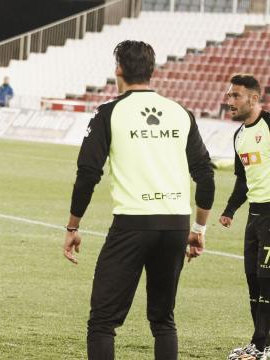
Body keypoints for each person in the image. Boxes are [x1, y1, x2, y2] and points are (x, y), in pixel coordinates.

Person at [62, 40, 214, 360]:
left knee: (103, 322)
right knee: (163, 320)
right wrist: (198, 229)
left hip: (133, 224)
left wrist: (73, 225)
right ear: (152, 70)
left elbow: (88, 173)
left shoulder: (109, 113)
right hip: (175, 225)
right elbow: (206, 175)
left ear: (118, 69)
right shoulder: (180, 113)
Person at [220, 74, 270, 360]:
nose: (230, 101)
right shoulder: (239, 136)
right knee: (253, 279)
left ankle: (265, 344)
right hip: (255, 215)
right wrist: (229, 210)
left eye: (236, 95)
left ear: (254, 98)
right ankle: (259, 344)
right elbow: (243, 180)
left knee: (267, 280)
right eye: (229, 96)